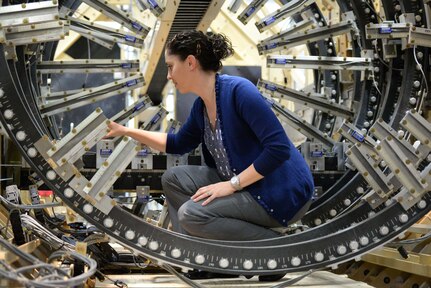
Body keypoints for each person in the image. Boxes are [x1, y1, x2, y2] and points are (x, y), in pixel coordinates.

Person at [106, 30, 314, 281]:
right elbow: (178, 143)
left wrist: (231, 185)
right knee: (174, 178)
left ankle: (276, 250)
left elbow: (278, 148)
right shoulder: (202, 106)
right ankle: (211, 259)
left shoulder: (239, 91)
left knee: (191, 214)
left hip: (279, 192)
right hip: (247, 185)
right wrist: (126, 130)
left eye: (171, 67)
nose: (169, 76)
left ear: (191, 63)